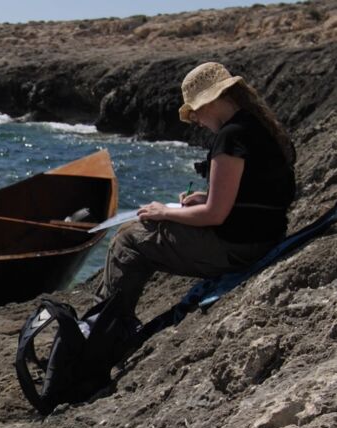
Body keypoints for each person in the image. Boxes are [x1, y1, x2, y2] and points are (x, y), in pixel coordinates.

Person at [97, 62, 297, 323]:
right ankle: (115, 320)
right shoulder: (257, 126)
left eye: (195, 114)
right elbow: (257, 193)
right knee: (141, 237)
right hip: (265, 236)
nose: (198, 122)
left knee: (127, 239)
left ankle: (102, 327)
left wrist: (164, 212)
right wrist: (204, 199)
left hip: (240, 248)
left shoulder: (231, 137)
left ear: (209, 103)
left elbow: (214, 215)